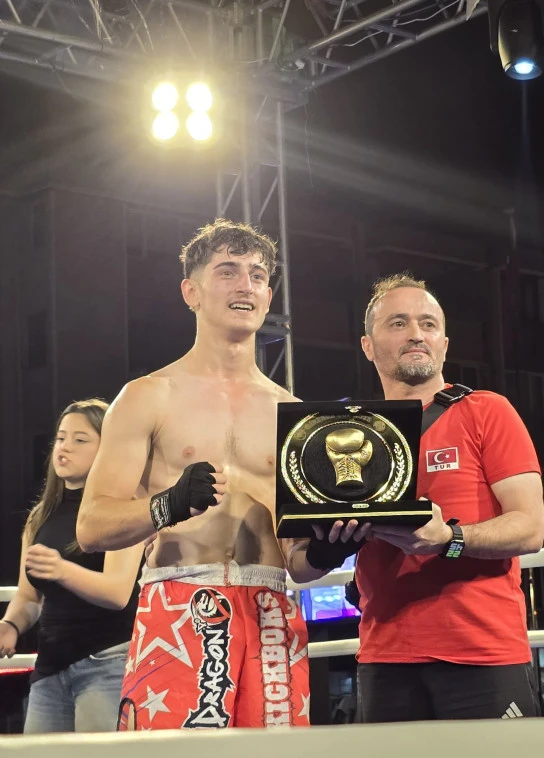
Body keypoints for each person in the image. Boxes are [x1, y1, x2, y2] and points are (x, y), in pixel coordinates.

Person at [76, 220, 313, 731]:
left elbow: (299, 562)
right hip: (178, 604)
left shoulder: (293, 414)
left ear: (268, 297)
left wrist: (330, 549)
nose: (245, 285)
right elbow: (91, 527)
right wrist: (168, 504)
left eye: (257, 275)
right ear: (191, 292)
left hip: (270, 614)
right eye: (227, 271)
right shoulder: (147, 396)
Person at [287, 273, 544, 722]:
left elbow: (531, 527)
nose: (416, 334)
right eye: (398, 323)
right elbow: (299, 567)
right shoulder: (345, 433)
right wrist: (330, 549)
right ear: (368, 345)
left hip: (483, 652)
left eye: (428, 324)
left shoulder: (487, 410)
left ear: (444, 343)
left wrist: (450, 539)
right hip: (385, 657)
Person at [0, 399, 142, 733]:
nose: (64, 447)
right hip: (50, 667)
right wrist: (11, 624)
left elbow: (117, 593)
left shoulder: (124, 511)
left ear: (106, 449)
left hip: (105, 662)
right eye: (61, 438)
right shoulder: (41, 517)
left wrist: (63, 570)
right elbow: (29, 597)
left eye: (80, 440)